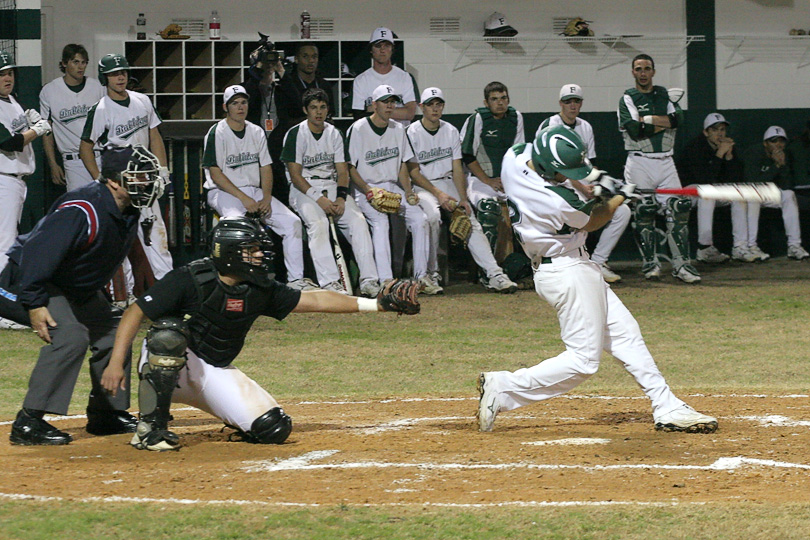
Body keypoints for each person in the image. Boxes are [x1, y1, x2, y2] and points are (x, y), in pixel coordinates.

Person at [99, 216, 421, 452]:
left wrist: (377, 304)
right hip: (175, 365)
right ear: (229, 252)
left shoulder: (259, 288)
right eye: (250, 250)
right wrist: (116, 363)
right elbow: (135, 312)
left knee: (273, 429)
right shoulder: (190, 278)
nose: (258, 256)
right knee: (167, 336)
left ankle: (236, 418)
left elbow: (316, 299)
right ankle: (150, 429)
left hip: (214, 371)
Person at [476, 125, 718, 435]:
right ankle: (504, 386)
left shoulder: (516, 155)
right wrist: (618, 197)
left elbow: (579, 177)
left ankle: (666, 404)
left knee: (626, 334)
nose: (568, 176)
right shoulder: (554, 200)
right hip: (567, 272)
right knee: (583, 361)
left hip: (572, 268)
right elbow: (594, 219)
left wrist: (598, 180)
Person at [2, 146, 161, 445]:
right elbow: (36, 254)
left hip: (72, 287)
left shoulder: (128, 207)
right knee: (69, 336)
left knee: (116, 330)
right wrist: (35, 303)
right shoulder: (81, 209)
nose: (147, 183)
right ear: (114, 181)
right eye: (139, 177)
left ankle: (106, 413)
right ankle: (28, 422)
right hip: (28, 282)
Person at [203, 84, 317, 290]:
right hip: (223, 191)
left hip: (254, 191)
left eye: (243, 102)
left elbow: (266, 167)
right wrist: (244, 199)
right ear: (225, 107)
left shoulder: (256, 131)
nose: (240, 107)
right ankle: (235, 282)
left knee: (292, 223)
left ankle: (296, 281)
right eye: (235, 103)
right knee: (237, 228)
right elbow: (216, 174)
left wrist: (265, 197)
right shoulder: (217, 132)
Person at [406, 87, 517, 294]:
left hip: (448, 182)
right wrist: (439, 194)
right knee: (431, 217)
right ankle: (430, 275)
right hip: (424, 185)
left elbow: (457, 168)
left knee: (469, 220)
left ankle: (495, 274)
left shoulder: (450, 130)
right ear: (422, 107)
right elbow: (413, 171)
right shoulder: (412, 131)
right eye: (430, 105)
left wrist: (463, 199)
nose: (435, 109)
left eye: (438, 104)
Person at [80, 53, 174, 288]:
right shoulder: (100, 109)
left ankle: (169, 291)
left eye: (122, 72)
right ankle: (125, 295)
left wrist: (163, 170)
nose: (120, 78)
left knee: (156, 236)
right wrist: (99, 179)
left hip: (145, 177)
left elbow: (155, 135)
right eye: (114, 74)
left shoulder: (142, 100)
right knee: (119, 240)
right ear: (105, 78)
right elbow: (85, 148)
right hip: (118, 182)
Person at [281, 88, 380, 296]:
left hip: (332, 185)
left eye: (323, 107)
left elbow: (343, 171)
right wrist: (320, 199)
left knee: (359, 222)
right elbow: (295, 175)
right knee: (318, 224)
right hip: (305, 189)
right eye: (314, 108)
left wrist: (341, 199)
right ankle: (330, 283)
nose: (318, 112)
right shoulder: (296, 133)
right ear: (305, 110)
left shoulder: (334, 133)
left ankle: (369, 280)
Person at [618, 54, 700, 283]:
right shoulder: (627, 97)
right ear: (633, 72)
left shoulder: (664, 94)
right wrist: (662, 121)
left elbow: (678, 120)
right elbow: (635, 131)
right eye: (638, 69)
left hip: (666, 160)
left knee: (679, 208)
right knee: (644, 211)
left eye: (647, 68)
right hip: (639, 161)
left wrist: (647, 119)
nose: (643, 73)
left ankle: (682, 265)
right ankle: (650, 264)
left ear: (653, 71)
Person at [537, 83, 630, 283]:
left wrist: (605, 186)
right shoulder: (549, 125)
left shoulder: (585, 126)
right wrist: (581, 187)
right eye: (568, 101)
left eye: (576, 101)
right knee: (580, 214)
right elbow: (551, 166)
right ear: (560, 103)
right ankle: (574, 264)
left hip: (582, 185)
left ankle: (598, 262)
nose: (572, 105)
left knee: (622, 211)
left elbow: (590, 165)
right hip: (555, 186)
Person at [347, 84, 428, 285]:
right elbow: (349, 167)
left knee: (420, 218)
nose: (390, 106)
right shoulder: (358, 128)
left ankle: (422, 277)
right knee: (380, 223)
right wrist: (368, 191)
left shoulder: (398, 129)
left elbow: (402, 163)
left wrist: (408, 191)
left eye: (392, 101)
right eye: (385, 101)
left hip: (392, 186)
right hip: (365, 187)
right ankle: (386, 279)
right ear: (374, 104)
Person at [460, 81, 525, 271]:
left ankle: (523, 264)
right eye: (494, 99)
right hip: (479, 179)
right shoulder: (478, 118)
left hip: (505, 179)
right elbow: (467, 155)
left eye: (503, 98)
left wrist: (510, 179)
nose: (500, 103)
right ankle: (486, 270)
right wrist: (488, 180)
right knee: (488, 209)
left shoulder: (516, 117)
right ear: (486, 102)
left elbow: (518, 152)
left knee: (530, 207)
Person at [0, 49, 52, 274]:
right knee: (5, 241)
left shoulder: (12, 100)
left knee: (9, 238)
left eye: (10, 72)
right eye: (2, 74)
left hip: (17, 180)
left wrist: (31, 124)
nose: (8, 78)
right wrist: (36, 130)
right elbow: (7, 142)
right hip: (3, 180)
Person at [675, 113, 749, 263]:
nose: (720, 134)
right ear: (705, 132)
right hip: (686, 192)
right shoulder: (695, 147)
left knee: (739, 195)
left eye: (722, 129)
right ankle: (704, 247)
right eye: (715, 130)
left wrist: (729, 157)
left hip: (711, 191)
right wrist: (720, 154)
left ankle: (740, 248)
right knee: (707, 191)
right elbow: (704, 179)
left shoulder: (727, 147)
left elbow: (735, 181)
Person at [39, 44, 105, 191]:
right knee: (78, 207)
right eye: (75, 62)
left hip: (99, 157)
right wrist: (53, 164)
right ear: (64, 63)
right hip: (73, 161)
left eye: (84, 62)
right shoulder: (49, 91)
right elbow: (46, 130)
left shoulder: (98, 87)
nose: (80, 67)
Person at [741, 125, 810, 261]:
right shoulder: (754, 153)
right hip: (747, 195)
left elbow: (786, 185)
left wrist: (781, 165)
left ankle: (794, 246)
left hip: (768, 195)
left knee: (789, 195)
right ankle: (751, 246)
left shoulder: (784, 155)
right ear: (765, 143)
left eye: (781, 141)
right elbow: (753, 182)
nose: (778, 145)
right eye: (773, 141)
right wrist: (775, 166)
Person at [242, 34, 289, 204]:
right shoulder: (244, 90)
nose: (268, 69)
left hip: (278, 157)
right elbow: (248, 100)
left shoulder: (282, 91)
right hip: (254, 159)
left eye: (271, 65)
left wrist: (281, 70)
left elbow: (300, 103)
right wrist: (259, 68)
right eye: (265, 65)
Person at [351, 27, 418, 126]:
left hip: (399, 135)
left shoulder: (405, 77)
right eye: (378, 46)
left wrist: (375, 109)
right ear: (371, 50)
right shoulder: (361, 80)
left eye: (387, 46)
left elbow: (410, 113)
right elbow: (358, 116)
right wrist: (396, 111)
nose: (382, 50)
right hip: (372, 135)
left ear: (392, 49)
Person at [275, 42, 334, 137]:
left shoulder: (324, 85)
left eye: (314, 57)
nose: (311, 61)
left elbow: (330, 116)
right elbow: (284, 120)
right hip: (293, 136)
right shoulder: (284, 86)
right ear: (296, 59)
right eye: (305, 56)